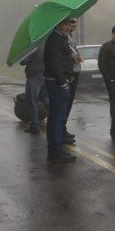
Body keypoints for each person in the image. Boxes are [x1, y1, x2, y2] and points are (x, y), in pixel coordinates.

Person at [44, 19, 76, 163]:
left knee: (54, 118)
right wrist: (63, 82)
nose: (69, 27)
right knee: (57, 118)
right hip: (57, 83)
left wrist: (70, 71)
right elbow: (55, 63)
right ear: (58, 25)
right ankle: (56, 152)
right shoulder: (55, 39)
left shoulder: (59, 38)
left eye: (70, 24)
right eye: (66, 24)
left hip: (58, 81)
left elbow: (63, 59)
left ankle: (54, 150)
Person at [20, 44, 48, 134]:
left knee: (32, 100)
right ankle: (55, 121)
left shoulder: (33, 46)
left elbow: (23, 61)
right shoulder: (46, 45)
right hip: (46, 75)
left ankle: (34, 125)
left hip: (34, 76)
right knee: (46, 98)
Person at [63, 18, 83, 145]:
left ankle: (63, 130)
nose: (74, 25)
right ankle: (61, 131)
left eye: (75, 23)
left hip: (74, 71)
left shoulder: (69, 37)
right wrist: (74, 58)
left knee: (68, 104)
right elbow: (65, 54)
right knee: (65, 104)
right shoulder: (64, 38)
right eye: (71, 23)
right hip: (70, 73)